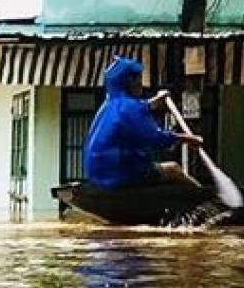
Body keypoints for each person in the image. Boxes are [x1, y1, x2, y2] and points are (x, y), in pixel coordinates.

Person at [83, 56, 202, 189]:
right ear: (130, 81)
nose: (142, 83)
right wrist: (186, 138)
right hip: (119, 174)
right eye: (139, 78)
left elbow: (136, 110)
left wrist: (155, 100)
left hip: (98, 173)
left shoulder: (110, 103)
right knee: (174, 170)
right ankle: (204, 199)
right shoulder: (130, 107)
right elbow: (156, 139)